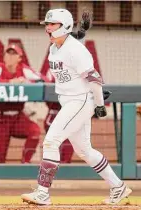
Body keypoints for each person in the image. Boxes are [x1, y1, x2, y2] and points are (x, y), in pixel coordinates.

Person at [21, 8, 131, 205]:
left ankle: (42, 192)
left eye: (52, 24)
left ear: (64, 26)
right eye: (47, 24)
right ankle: (118, 187)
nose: (47, 28)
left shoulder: (76, 50)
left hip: (79, 101)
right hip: (69, 101)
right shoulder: (56, 47)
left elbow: (94, 79)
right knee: (85, 151)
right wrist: (80, 33)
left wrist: (99, 104)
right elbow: (69, 46)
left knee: (51, 141)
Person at [0, 43, 47, 163]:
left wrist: (27, 81)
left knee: (34, 132)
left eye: (14, 54)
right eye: (8, 53)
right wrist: (10, 82)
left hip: (17, 116)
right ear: (4, 56)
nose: (10, 56)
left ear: (19, 58)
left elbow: (43, 79)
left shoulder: (24, 69)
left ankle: (25, 163)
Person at [44, 10, 93, 163]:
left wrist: (83, 31)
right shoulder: (53, 57)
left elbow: (73, 41)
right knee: (51, 143)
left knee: (79, 149)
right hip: (58, 108)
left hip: (75, 105)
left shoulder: (72, 51)